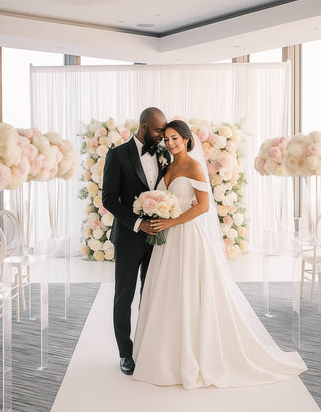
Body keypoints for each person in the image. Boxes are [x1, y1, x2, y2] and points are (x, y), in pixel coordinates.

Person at [132, 120, 307, 389]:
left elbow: (203, 206)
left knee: (191, 292)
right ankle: (164, 356)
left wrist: (170, 221)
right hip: (168, 242)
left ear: (188, 139)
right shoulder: (168, 166)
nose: (170, 143)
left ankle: (193, 357)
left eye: (175, 138)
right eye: (167, 139)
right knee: (167, 292)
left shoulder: (193, 166)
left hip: (188, 237)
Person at [102, 107, 170, 375]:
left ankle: (148, 347)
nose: (162, 136)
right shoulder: (117, 155)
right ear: (144, 127)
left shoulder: (164, 154)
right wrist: (138, 222)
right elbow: (108, 199)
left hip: (159, 239)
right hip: (129, 239)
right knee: (124, 296)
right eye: (158, 130)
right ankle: (125, 353)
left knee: (152, 294)